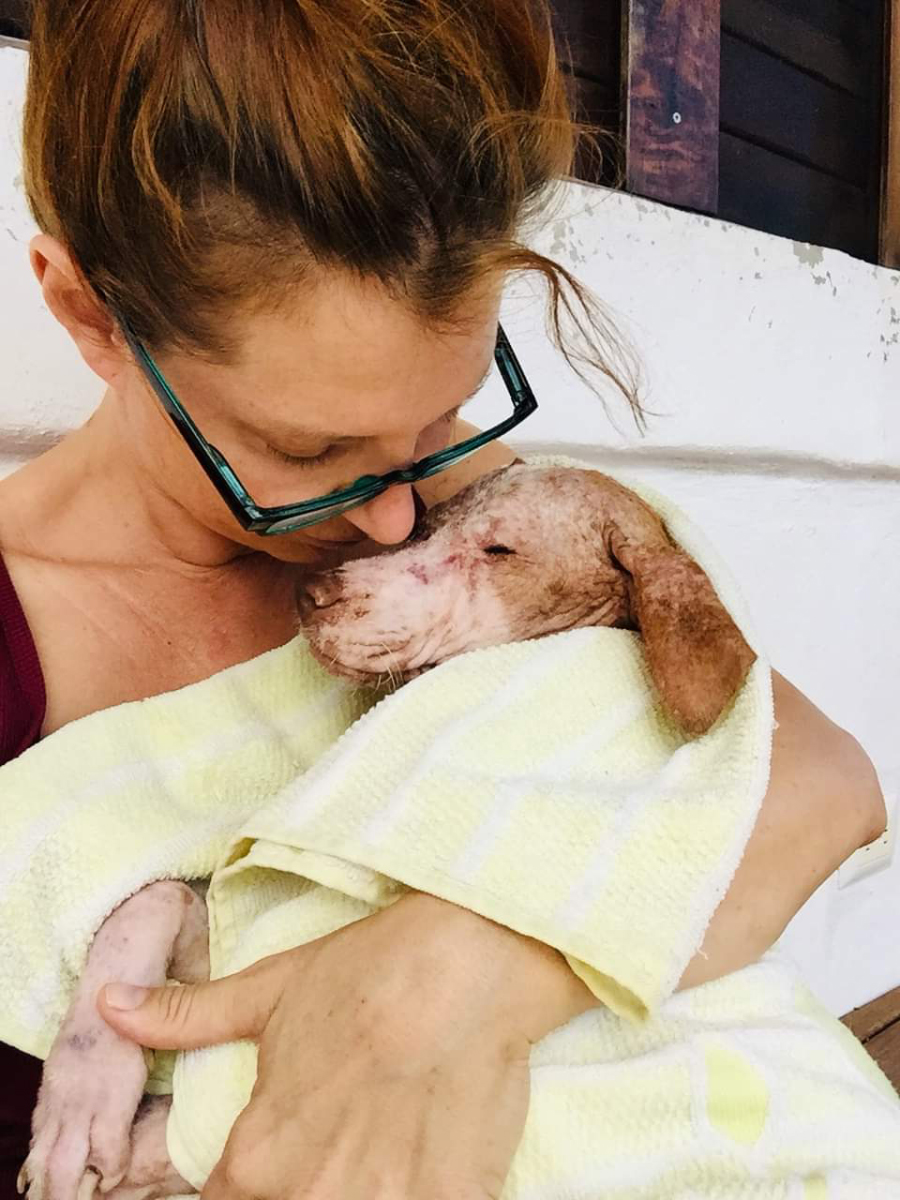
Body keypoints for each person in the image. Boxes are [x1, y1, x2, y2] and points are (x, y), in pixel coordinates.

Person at [0, 1, 886, 1197]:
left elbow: (819, 782)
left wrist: (460, 970)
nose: (395, 517)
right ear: (88, 313)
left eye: (442, 413)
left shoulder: (472, 511)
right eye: (307, 452)